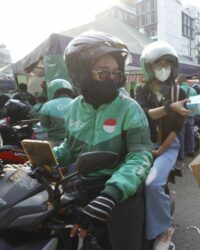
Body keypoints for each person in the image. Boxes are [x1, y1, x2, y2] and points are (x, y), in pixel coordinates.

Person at [55, 31, 152, 250]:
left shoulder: (129, 108)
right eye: (102, 72)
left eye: (115, 73)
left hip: (120, 191)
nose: (111, 78)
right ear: (80, 73)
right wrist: (47, 156)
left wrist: (113, 193)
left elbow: (140, 155)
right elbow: (70, 148)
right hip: (82, 185)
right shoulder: (73, 108)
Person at [135, 41, 191, 250]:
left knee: (153, 184)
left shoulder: (180, 93)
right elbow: (142, 114)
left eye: (167, 63)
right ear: (148, 67)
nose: (163, 68)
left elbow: (177, 128)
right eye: (158, 63)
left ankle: (166, 227)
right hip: (141, 145)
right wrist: (169, 108)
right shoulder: (141, 90)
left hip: (168, 144)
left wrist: (160, 150)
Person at [39, 79, 74, 147]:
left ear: (52, 90)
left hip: (55, 143)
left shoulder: (47, 105)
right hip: (74, 142)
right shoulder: (78, 103)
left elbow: (45, 128)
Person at [177, 75, 197, 159]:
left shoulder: (179, 89)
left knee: (181, 135)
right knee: (190, 133)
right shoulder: (193, 90)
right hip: (191, 114)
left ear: (180, 81)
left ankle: (181, 155)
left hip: (182, 115)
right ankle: (191, 151)